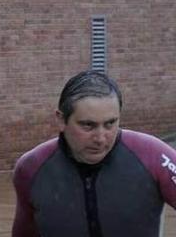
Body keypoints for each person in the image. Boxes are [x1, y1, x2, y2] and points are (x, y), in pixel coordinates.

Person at [12, 70, 176, 237]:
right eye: (88, 125)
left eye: (110, 123)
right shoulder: (31, 168)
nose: (100, 138)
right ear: (61, 120)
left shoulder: (154, 156)